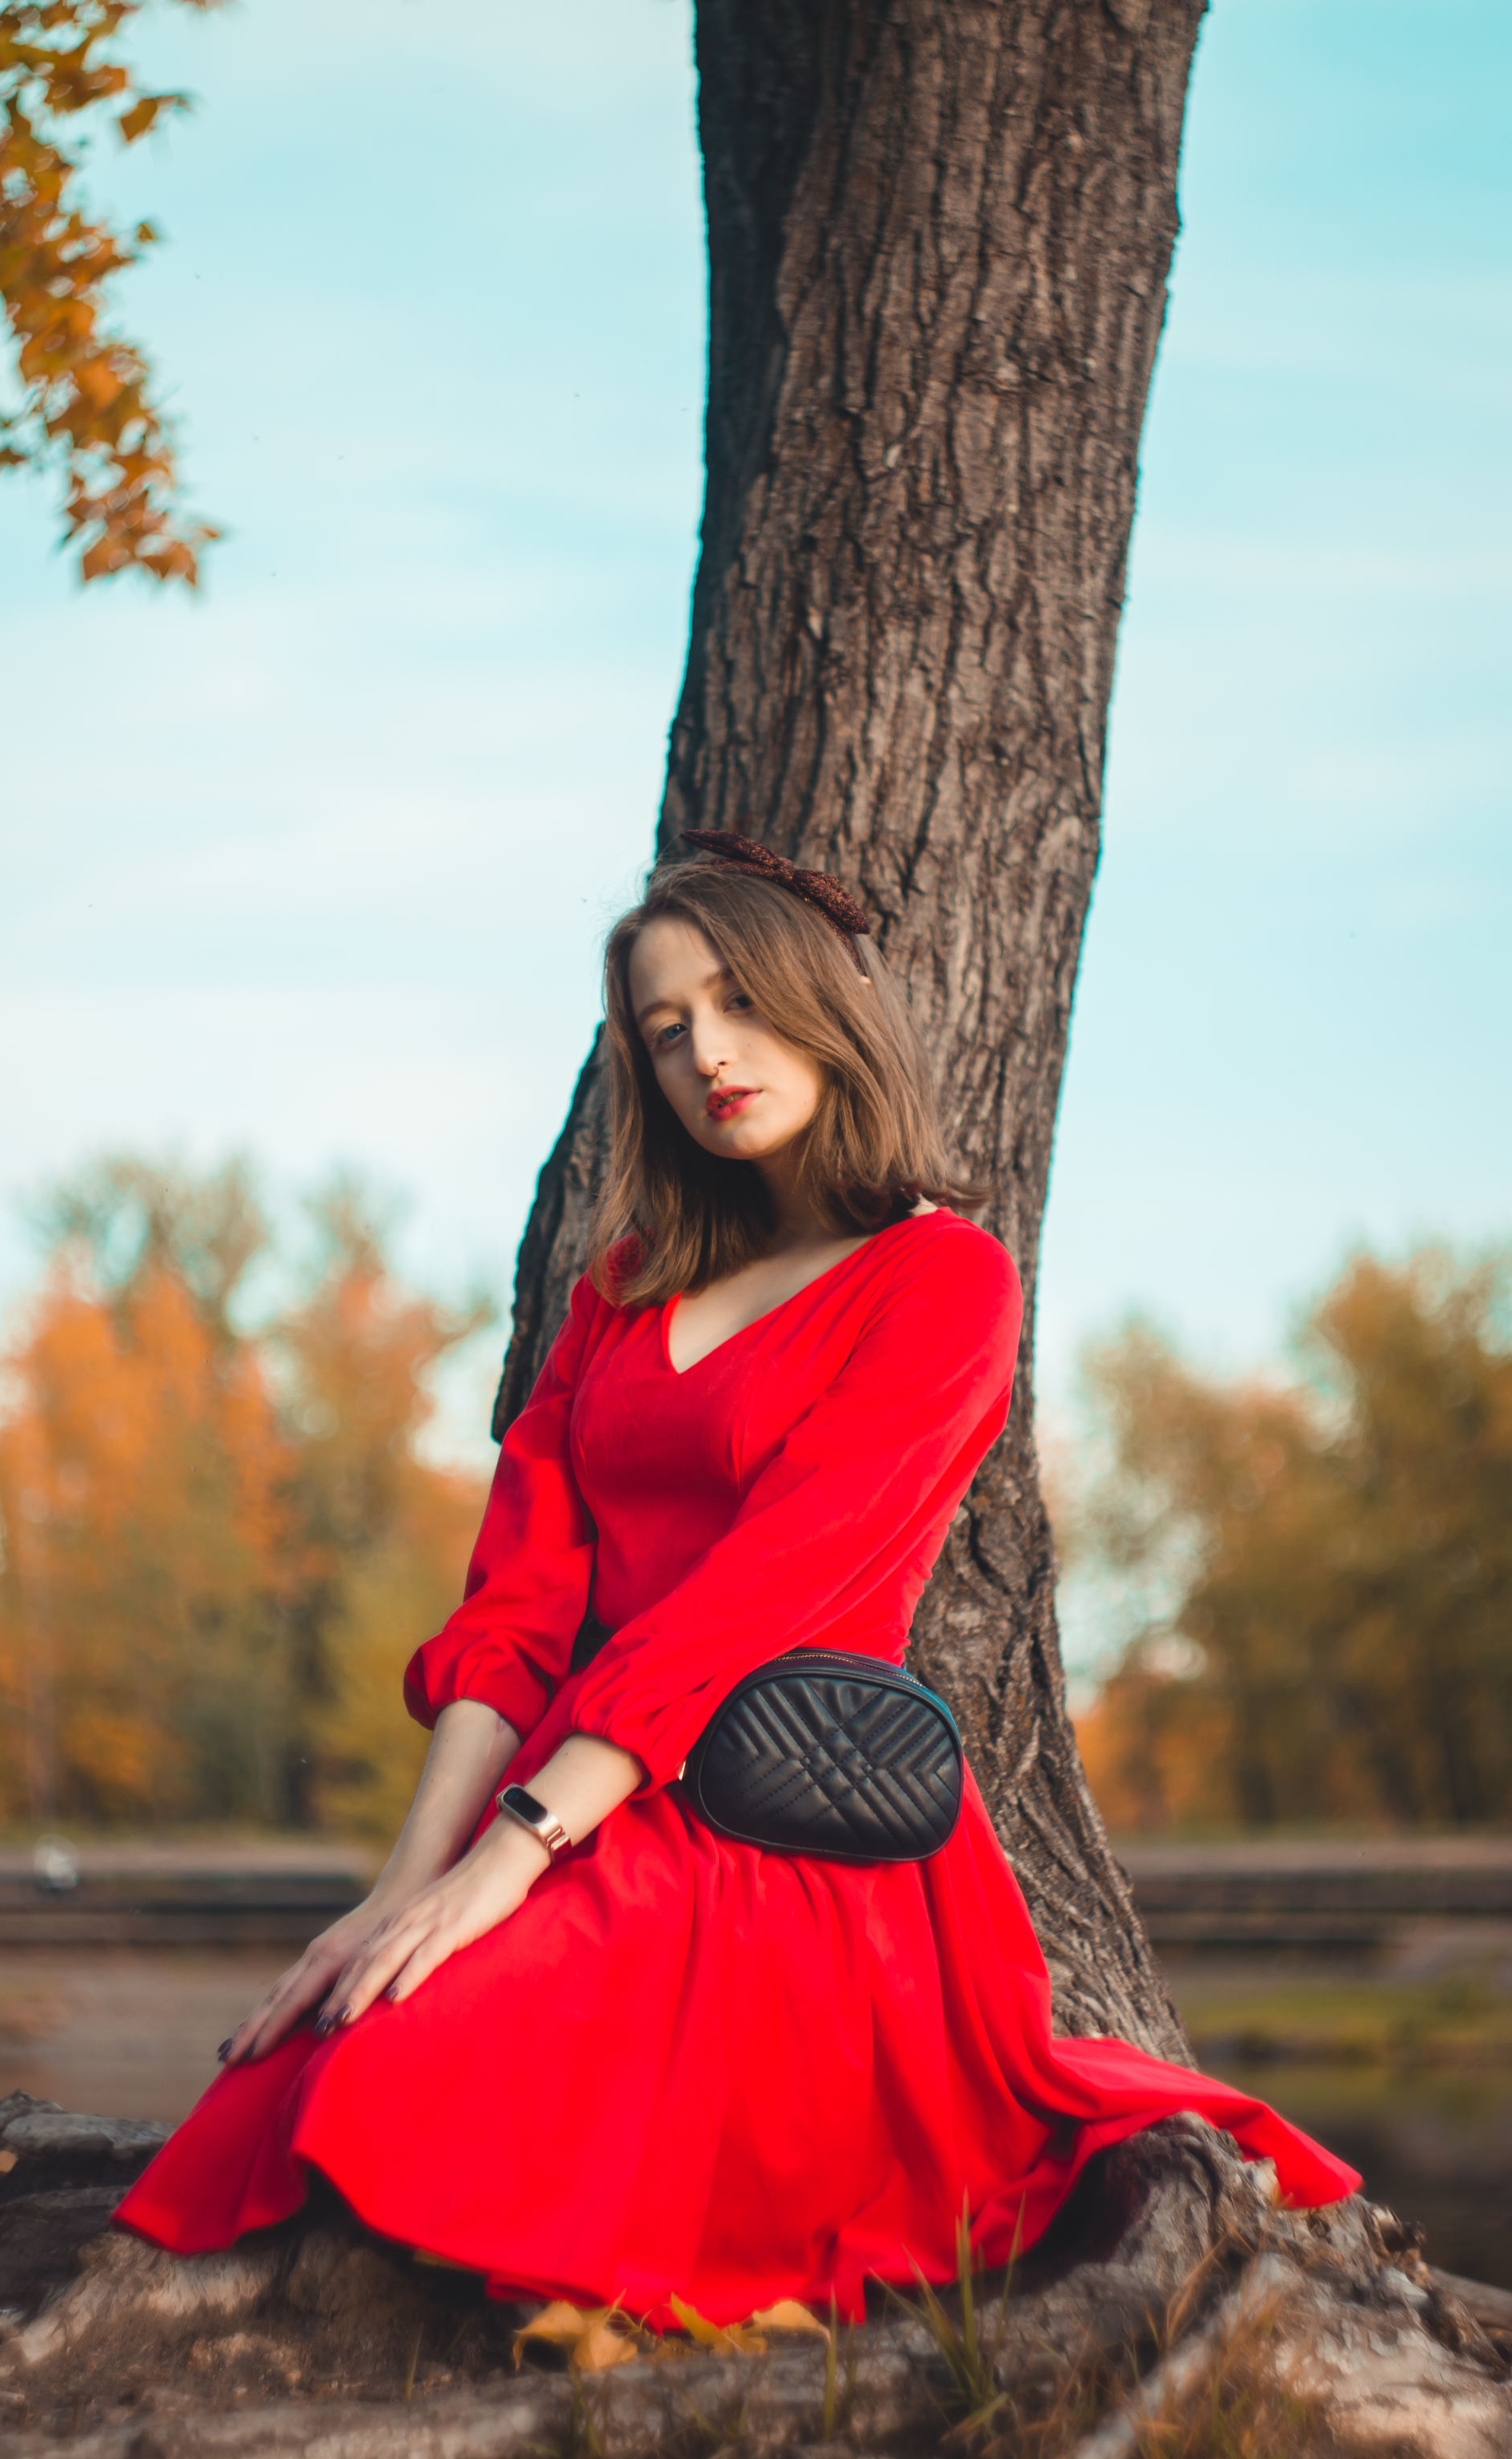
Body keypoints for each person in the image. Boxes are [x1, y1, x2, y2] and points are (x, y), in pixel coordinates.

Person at [116, 834, 1357, 2323]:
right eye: (667, 1030)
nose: (711, 1054)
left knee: (413, 2077)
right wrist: (403, 1888)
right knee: (338, 2038)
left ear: (819, 1005)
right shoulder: (620, 1293)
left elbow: (771, 1590)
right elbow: (512, 1614)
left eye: (739, 1004)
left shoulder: (942, 1278)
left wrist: (515, 1850)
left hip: (776, 1816)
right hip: (574, 1790)